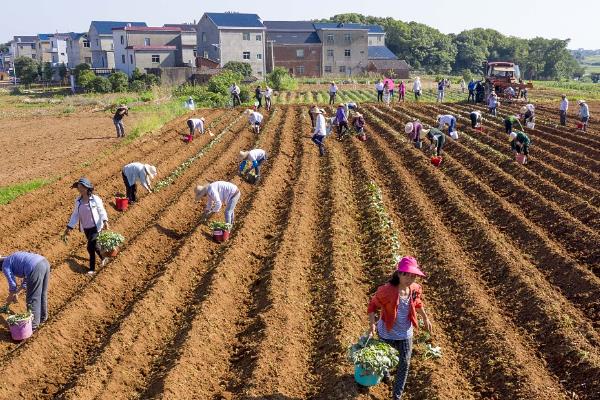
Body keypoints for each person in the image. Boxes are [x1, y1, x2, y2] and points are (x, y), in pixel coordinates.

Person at [367, 257, 432, 400]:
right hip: (387, 333)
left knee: (404, 363)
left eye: (413, 276)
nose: (410, 279)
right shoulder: (387, 291)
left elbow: (417, 303)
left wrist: (425, 318)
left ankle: (397, 396)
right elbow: (372, 305)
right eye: (406, 275)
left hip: (405, 334)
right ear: (398, 273)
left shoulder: (414, 289)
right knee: (384, 360)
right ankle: (385, 374)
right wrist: (372, 324)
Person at [63, 178, 109, 275]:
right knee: (95, 246)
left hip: (96, 227)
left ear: (87, 188)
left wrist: (105, 221)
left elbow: (101, 210)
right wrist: (69, 227)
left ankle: (92, 268)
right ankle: (104, 257)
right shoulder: (78, 201)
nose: (79, 189)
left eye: (82, 187)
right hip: (86, 228)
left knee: (90, 247)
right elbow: (75, 215)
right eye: (79, 187)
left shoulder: (95, 199)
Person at [1, 252, 50, 330]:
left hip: (36, 268)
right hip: (44, 262)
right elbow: (28, 275)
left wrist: (11, 294)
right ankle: (43, 318)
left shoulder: (5, 265)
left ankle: (33, 326)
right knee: (42, 294)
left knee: (32, 298)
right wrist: (17, 292)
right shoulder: (12, 259)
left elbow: (12, 283)